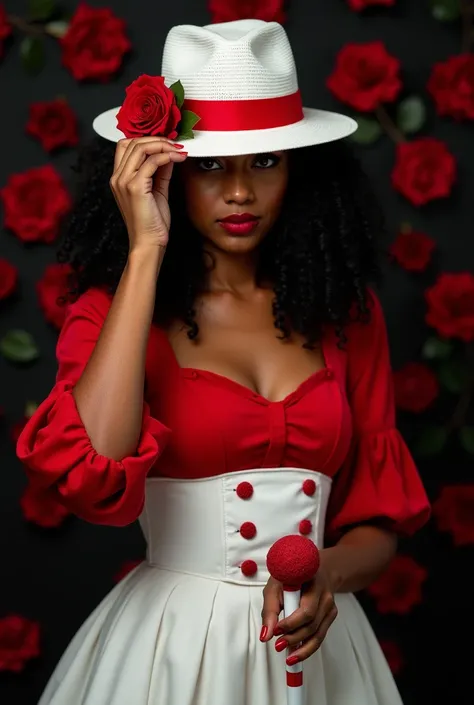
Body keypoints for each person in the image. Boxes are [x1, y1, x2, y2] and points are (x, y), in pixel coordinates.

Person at [17, 18, 430, 705]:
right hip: (169, 654)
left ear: (300, 170)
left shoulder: (347, 316)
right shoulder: (112, 313)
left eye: (264, 161)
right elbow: (93, 471)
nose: (239, 192)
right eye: (209, 165)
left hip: (322, 651)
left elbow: (377, 523)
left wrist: (327, 570)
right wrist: (145, 249)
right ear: (165, 169)